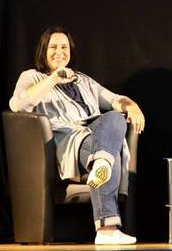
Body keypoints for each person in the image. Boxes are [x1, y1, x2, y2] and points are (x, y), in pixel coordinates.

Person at [9, 26, 145, 246]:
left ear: (70, 52)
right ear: (43, 51)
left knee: (115, 117)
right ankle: (107, 229)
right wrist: (53, 79)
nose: (59, 52)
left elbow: (114, 100)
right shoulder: (32, 76)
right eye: (53, 47)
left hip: (96, 139)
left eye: (64, 47)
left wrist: (132, 106)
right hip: (70, 143)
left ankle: (101, 163)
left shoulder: (83, 80)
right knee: (110, 152)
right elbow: (17, 105)